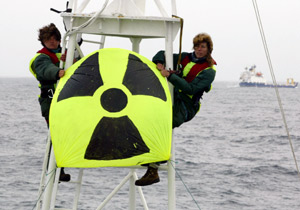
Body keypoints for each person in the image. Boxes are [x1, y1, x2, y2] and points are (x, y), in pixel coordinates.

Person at [135, 33, 217, 186]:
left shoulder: (209, 71)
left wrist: (170, 76)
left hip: (187, 106)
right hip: (172, 98)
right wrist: (160, 63)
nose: (199, 50)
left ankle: (153, 170)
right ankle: (148, 156)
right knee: (147, 117)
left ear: (208, 50)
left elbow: (191, 89)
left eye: (203, 47)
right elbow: (161, 54)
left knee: (165, 123)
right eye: (197, 46)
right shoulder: (184, 57)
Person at [29, 23, 70, 182]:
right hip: (50, 102)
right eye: (48, 39)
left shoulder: (66, 53)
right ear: (43, 41)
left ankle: (62, 167)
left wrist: (71, 59)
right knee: (55, 136)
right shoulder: (40, 57)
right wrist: (57, 71)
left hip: (67, 101)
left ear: (60, 40)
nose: (52, 42)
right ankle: (55, 169)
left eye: (55, 38)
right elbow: (44, 69)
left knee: (66, 134)